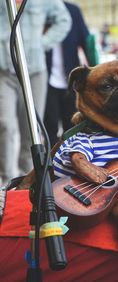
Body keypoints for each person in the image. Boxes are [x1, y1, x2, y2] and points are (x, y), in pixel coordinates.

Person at [0, 0, 71, 186]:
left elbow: (64, 20)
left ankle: (26, 181)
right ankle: (6, 180)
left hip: (34, 71)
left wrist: (43, 43)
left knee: (31, 129)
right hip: (3, 71)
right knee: (5, 124)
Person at [44, 1, 94, 147]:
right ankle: (50, 163)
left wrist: (93, 71)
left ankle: (70, 159)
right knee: (49, 124)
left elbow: (86, 41)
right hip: (45, 79)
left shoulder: (72, 11)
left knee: (72, 123)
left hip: (71, 79)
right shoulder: (39, 10)